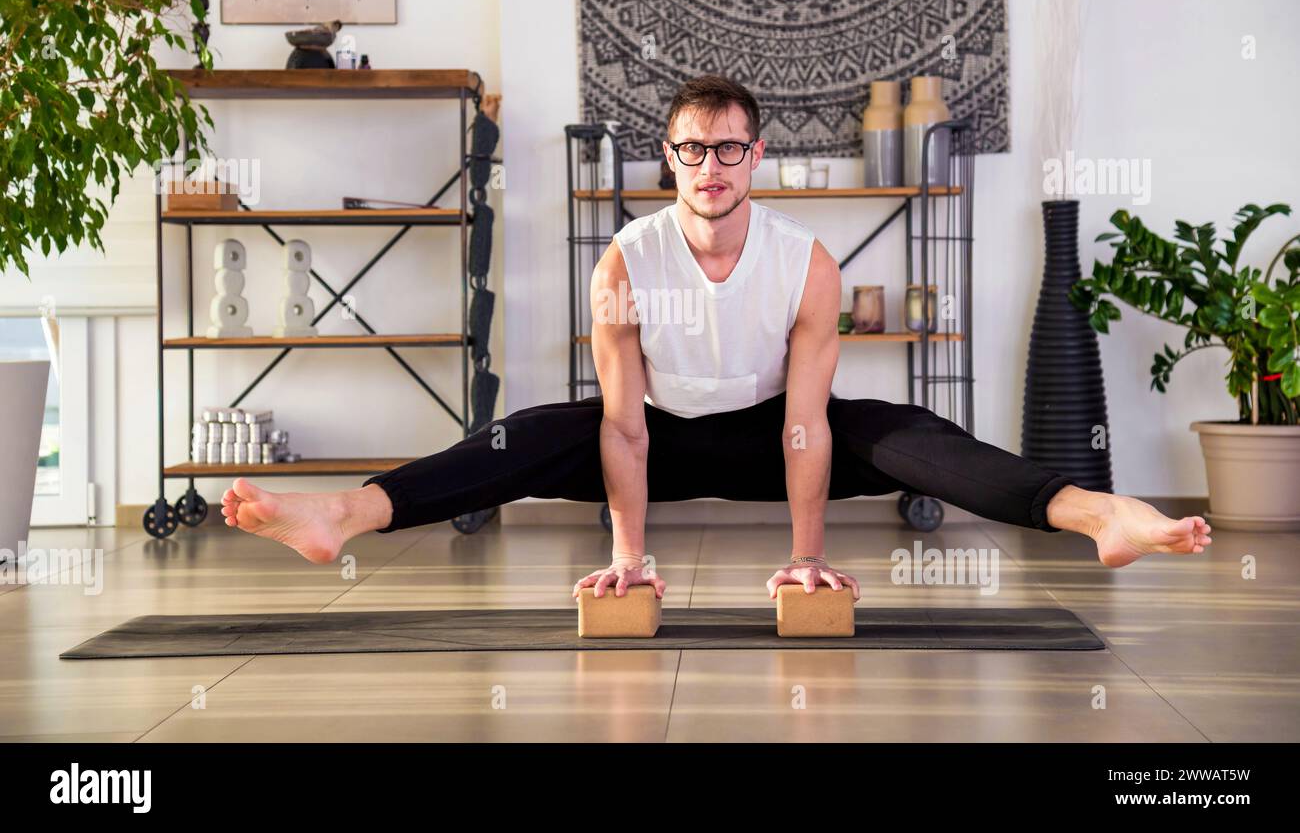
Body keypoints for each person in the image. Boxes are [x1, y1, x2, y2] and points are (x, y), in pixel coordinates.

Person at [220, 74, 1211, 601]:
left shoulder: (806, 263)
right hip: (654, 430)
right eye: (691, 149)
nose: (710, 164)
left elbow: (810, 422)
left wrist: (809, 552)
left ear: (754, 155)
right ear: (672, 157)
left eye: (728, 147)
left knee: (905, 423)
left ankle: (1093, 513)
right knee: (527, 431)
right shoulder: (623, 262)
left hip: (775, 431)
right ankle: (343, 514)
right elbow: (618, 425)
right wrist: (630, 554)